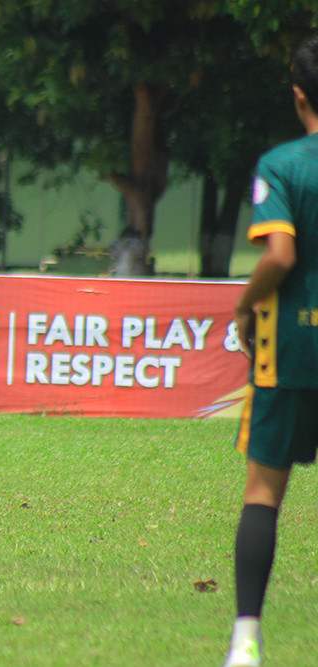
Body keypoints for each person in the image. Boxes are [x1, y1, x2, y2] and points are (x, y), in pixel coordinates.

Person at [223, 35, 318, 667]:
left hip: (289, 349)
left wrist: (242, 306)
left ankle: (246, 642)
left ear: (298, 95)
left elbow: (279, 255)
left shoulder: (283, 165)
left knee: (262, 494)